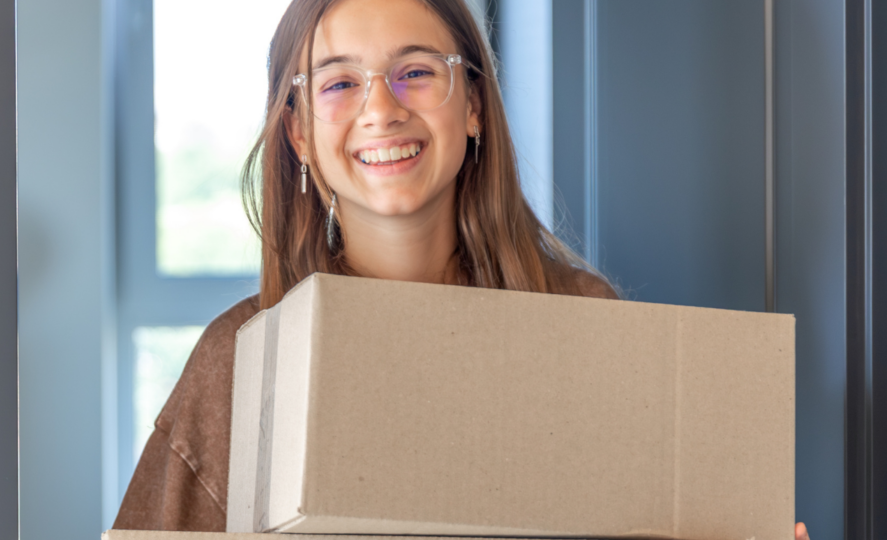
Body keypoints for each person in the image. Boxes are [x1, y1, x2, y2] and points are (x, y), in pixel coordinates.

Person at [113, 1, 810, 539]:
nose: (381, 109)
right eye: (340, 83)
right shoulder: (240, 362)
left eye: (416, 72)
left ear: (473, 104)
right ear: (299, 134)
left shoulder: (580, 322)